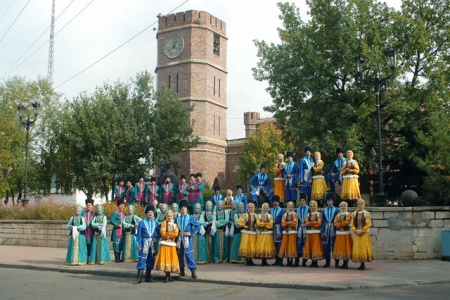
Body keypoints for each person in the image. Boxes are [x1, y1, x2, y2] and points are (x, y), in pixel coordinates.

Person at [134, 205, 160, 284]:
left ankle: (148, 277)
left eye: (151, 212)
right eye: (149, 212)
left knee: (151, 259)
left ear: (153, 213)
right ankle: (139, 277)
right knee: (142, 259)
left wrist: (157, 238)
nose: (150, 214)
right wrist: (138, 245)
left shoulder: (155, 223)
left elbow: (159, 233)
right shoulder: (141, 223)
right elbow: (138, 235)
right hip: (144, 243)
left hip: (152, 243)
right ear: (146, 213)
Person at [177, 200, 201, 279]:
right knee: (180, 255)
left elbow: (198, 226)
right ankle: (182, 271)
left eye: (184, 207)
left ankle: (193, 271)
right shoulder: (177, 219)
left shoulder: (190, 218)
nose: (183, 209)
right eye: (182, 207)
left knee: (189, 254)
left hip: (187, 238)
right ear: (180, 209)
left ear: (187, 208)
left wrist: (191, 233)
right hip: (180, 238)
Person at [154, 210, 180, 283]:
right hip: (165, 244)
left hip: (172, 244)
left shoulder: (175, 225)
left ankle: (169, 276)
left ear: (173, 216)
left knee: (171, 259)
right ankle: (166, 276)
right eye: (168, 216)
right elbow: (163, 233)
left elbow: (176, 234)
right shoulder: (164, 223)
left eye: (170, 216)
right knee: (166, 259)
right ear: (166, 216)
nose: (169, 217)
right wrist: (170, 234)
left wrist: (168, 234)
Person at [352, 199, 373, 270]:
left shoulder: (366, 213)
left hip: (364, 234)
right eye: (358, 204)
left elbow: (368, 224)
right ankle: (361, 263)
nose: (359, 205)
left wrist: (362, 231)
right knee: (358, 248)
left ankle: (363, 263)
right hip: (357, 233)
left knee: (363, 248)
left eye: (361, 204)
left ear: (363, 204)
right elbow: (352, 224)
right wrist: (355, 231)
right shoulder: (354, 213)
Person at [303, 200, 324, 267]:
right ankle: (312, 260)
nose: (312, 207)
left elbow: (319, 223)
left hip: (316, 233)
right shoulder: (308, 214)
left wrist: (311, 223)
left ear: (316, 206)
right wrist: (314, 223)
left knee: (316, 247)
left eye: (314, 206)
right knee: (310, 246)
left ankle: (316, 261)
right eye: (311, 206)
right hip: (309, 233)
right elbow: (306, 223)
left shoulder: (319, 214)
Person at [321, 193, 339, 268]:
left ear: (333, 202)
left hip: (333, 229)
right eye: (328, 201)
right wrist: (322, 231)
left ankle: (336, 262)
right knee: (326, 246)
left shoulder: (337, 210)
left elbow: (337, 222)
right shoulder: (323, 211)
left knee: (334, 246)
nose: (329, 202)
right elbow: (322, 222)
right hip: (326, 229)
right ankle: (327, 262)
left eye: (330, 201)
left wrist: (336, 231)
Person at [333, 201, 353, 269]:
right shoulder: (338, 215)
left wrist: (339, 224)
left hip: (346, 234)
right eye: (342, 206)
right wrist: (338, 225)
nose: (343, 207)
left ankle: (346, 263)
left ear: (346, 207)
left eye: (344, 206)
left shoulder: (348, 214)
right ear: (340, 207)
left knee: (346, 248)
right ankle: (339, 262)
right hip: (339, 234)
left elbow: (347, 222)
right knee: (339, 247)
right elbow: (335, 222)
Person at [279, 201, 298, 267]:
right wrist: (289, 222)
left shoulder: (295, 214)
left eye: (291, 207)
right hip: (286, 233)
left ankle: (292, 260)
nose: (290, 208)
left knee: (292, 246)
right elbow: (283, 223)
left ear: (293, 207)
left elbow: (294, 223)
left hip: (292, 232)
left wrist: (287, 223)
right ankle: (287, 260)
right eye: (289, 207)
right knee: (286, 246)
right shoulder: (284, 214)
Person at [270, 195, 285, 266]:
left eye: (276, 202)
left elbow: (283, 222)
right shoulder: (271, 211)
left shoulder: (282, 211)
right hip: (273, 229)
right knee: (275, 245)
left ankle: (280, 261)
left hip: (279, 228)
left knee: (280, 245)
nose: (275, 203)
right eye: (273, 202)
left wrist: (281, 231)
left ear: (279, 203)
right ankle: (276, 260)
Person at [110, 198, 126, 263]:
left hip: (122, 231)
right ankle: (116, 257)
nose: (122, 206)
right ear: (118, 205)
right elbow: (111, 220)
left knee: (121, 243)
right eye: (121, 205)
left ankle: (119, 256)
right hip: (117, 230)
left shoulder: (124, 213)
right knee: (116, 243)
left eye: (123, 205)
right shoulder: (115, 213)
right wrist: (117, 224)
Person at [296, 193, 309, 267]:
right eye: (300, 201)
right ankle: (297, 260)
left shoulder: (309, 209)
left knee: (306, 244)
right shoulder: (297, 210)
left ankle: (305, 261)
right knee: (298, 244)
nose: (302, 202)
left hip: (306, 229)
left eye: (303, 200)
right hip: (299, 229)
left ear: (305, 201)